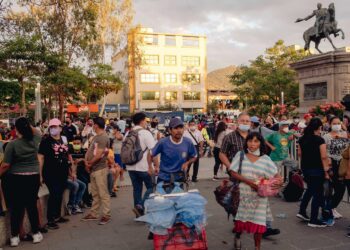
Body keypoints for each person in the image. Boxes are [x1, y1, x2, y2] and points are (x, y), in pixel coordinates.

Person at [220, 112, 280, 238]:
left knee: (261, 204)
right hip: (238, 177)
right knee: (238, 205)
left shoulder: (254, 136)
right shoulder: (229, 137)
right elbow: (222, 153)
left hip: (257, 179)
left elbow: (263, 153)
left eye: (247, 121)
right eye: (242, 121)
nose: (245, 123)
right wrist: (231, 167)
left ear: (251, 123)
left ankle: (263, 228)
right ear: (237, 121)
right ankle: (239, 229)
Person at [229, 132, 282, 250]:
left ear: (260, 143)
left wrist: (279, 182)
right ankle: (238, 236)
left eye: (256, 141)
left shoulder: (266, 159)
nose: (252, 144)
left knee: (259, 222)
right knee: (241, 220)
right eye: (250, 140)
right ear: (246, 142)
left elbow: (277, 176)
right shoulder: (240, 155)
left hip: (260, 196)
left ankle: (257, 247)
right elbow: (233, 172)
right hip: (243, 194)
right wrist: (250, 183)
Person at [0, 117, 43, 246]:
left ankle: (14, 238)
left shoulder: (12, 144)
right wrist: (26, 125)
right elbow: (36, 131)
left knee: (17, 208)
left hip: (16, 178)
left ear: (16, 129)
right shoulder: (35, 140)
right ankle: (35, 234)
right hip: (33, 177)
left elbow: (5, 165)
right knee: (31, 206)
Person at [38, 118, 71, 230]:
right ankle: (50, 219)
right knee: (54, 193)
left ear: (60, 128)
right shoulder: (46, 141)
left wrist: (72, 171)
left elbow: (67, 155)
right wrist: (40, 174)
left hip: (63, 172)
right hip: (50, 173)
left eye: (55, 127)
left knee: (59, 193)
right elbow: (41, 158)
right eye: (51, 127)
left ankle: (57, 216)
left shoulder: (63, 139)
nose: (53, 129)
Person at [297, 117, 329, 227]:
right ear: (319, 127)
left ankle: (302, 211)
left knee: (310, 190)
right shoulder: (320, 140)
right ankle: (313, 219)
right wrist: (326, 171)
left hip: (306, 168)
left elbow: (299, 154)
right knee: (317, 194)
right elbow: (324, 156)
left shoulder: (302, 139)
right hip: (317, 169)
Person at [125, 112, 157, 218]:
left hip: (130, 166)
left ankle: (139, 214)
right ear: (142, 121)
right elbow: (153, 151)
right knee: (152, 186)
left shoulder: (129, 133)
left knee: (137, 188)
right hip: (143, 167)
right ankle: (140, 206)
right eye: (145, 121)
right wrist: (156, 166)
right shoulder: (145, 133)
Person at [82, 117, 111, 225]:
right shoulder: (97, 137)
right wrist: (87, 162)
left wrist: (89, 163)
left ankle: (106, 214)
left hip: (99, 168)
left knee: (103, 193)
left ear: (96, 125)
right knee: (95, 193)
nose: (92, 125)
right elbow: (91, 150)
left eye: (93, 124)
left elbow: (99, 154)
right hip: (94, 168)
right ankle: (94, 213)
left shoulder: (102, 137)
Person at [151, 117, 197, 183]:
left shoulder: (188, 142)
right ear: (170, 130)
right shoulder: (163, 142)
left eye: (181, 128)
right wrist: (150, 167)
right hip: (163, 178)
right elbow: (150, 154)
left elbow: (194, 156)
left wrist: (187, 163)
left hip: (180, 178)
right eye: (176, 128)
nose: (179, 130)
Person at [322, 116, 348, 221]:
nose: (337, 125)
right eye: (334, 123)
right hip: (332, 164)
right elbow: (324, 152)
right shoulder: (326, 137)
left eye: (339, 123)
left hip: (343, 164)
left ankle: (331, 208)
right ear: (330, 124)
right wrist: (328, 167)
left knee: (341, 189)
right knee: (336, 189)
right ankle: (329, 208)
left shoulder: (344, 134)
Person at [68, 136, 92, 208]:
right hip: (73, 171)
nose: (76, 145)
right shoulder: (70, 151)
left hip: (83, 169)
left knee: (88, 179)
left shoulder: (84, 151)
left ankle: (87, 198)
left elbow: (87, 161)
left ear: (81, 144)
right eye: (74, 143)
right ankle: (86, 201)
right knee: (84, 181)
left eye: (78, 143)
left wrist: (82, 159)